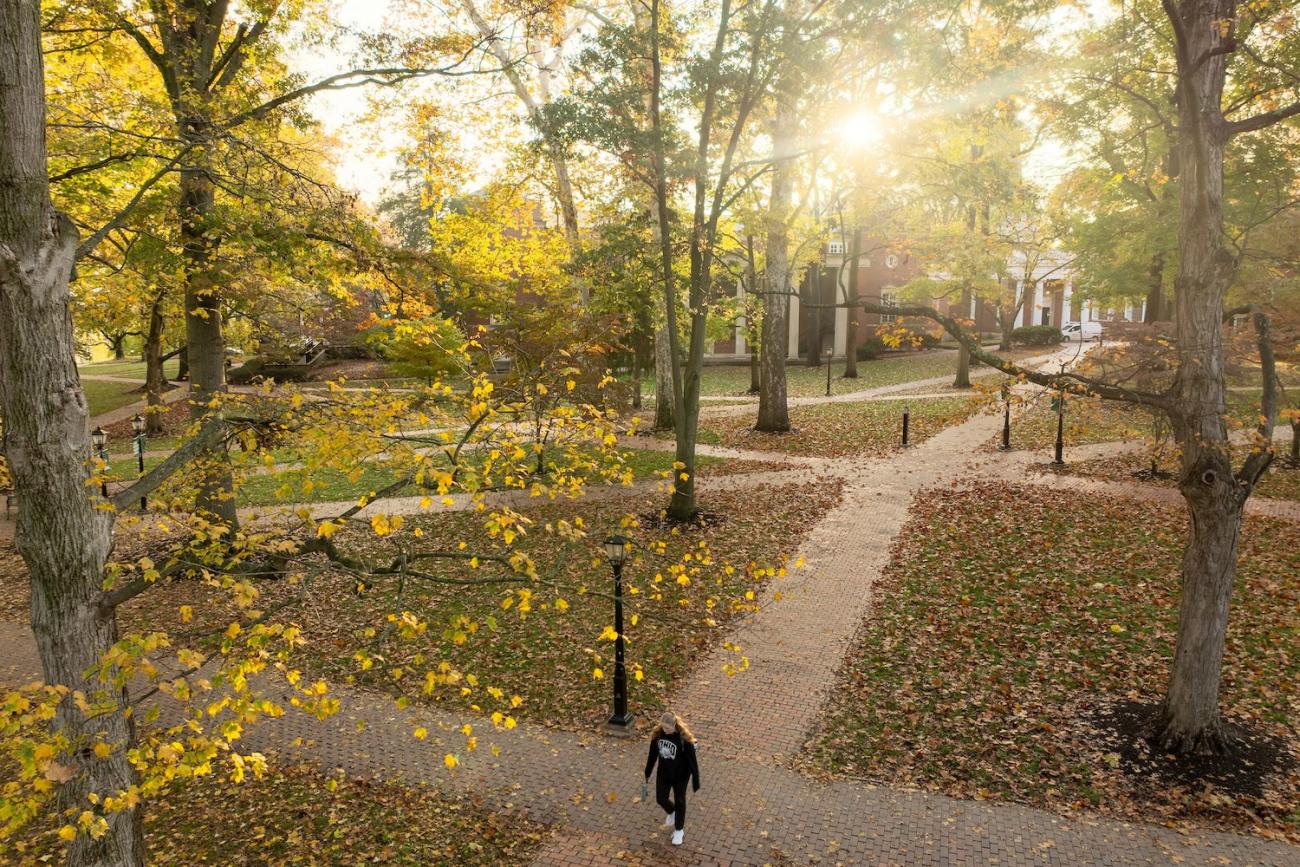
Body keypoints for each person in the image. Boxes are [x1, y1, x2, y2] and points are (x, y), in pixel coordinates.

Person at [643, 711, 700, 846]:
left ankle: (679, 830)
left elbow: (692, 761)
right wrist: (647, 772)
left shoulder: (684, 740)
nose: (665, 730)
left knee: (680, 801)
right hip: (663, 773)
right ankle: (672, 811)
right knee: (660, 799)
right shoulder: (658, 736)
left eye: (668, 728)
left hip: (681, 776)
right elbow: (652, 756)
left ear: (674, 725)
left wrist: (695, 779)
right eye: (663, 727)